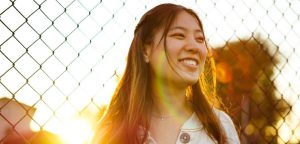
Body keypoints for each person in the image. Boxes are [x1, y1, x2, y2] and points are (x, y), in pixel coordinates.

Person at [90, 3, 240, 144]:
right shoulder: (111, 131)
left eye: (200, 39)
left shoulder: (221, 126)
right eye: (179, 35)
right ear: (145, 50)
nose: (195, 46)